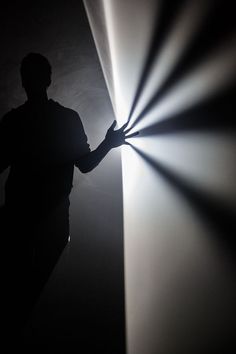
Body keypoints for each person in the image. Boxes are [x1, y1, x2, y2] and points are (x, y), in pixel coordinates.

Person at [0, 53, 136, 334]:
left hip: (21, 220)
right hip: (46, 221)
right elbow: (85, 165)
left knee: (17, 299)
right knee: (42, 300)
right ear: (47, 79)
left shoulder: (15, 121)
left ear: (26, 81)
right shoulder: (64, 119)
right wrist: (108, 144)